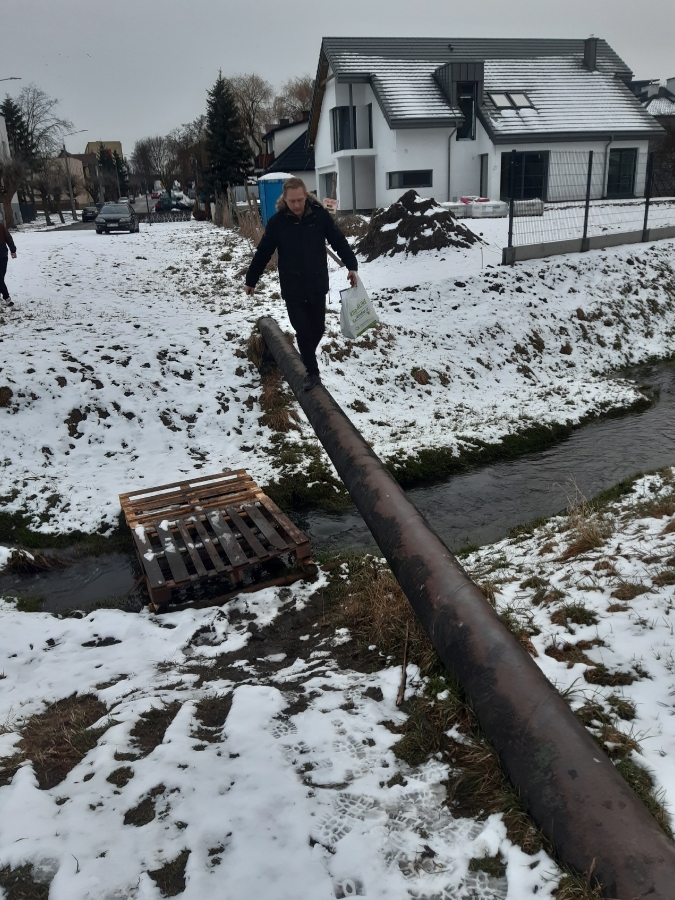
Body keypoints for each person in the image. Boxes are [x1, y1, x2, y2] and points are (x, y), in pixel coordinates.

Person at [245, 177, 358, 391]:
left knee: (318, 329)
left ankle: (305, 356)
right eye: (292, 201)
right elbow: (263, 252)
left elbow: (338, 240)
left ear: (306, 196)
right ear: (285, 200)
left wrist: (352, 266)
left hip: (317, 285)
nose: (296, 205)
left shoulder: (320, 217)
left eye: (300, 200)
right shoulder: (277, 223)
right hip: (293, 288)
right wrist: (251, 279)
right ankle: (312, 374)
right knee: (303, 331)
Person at [0, 221, 17, 307]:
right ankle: (6, 297)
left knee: (1, 276)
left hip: (2, 255)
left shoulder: (1, 226)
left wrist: (13, 250)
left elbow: (8, 238)